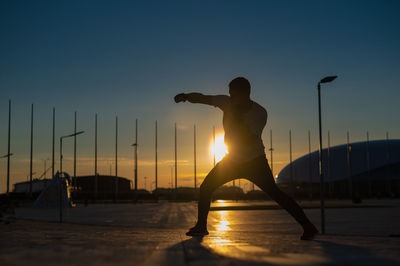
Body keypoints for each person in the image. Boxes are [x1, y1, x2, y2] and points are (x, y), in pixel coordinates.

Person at [174, 77, 318, 240]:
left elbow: (248, 138)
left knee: (277, 195)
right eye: (230, 95)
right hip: (232, 161)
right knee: (206, 187)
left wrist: (236, 118)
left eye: (234, 95)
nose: (231, 98)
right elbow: (203, 98)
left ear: (244, 94)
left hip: (254, 162)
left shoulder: (259, 113)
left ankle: (308, 226)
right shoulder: (226, 102)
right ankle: (201, 227)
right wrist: (186, 96)